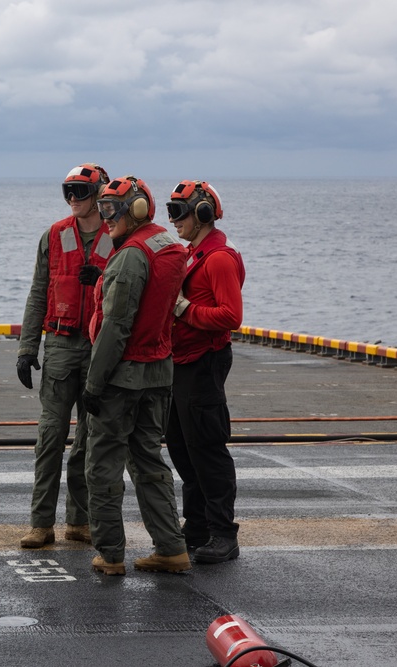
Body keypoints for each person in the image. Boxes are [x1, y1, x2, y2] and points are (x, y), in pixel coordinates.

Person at [81, 175, 190, 576]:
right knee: (149, 461)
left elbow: (116, 326)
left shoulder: (130, 255)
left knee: (103, 463)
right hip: (159, 373)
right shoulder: (170, 246)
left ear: (138, 209)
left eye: (112, 210)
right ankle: (171, 548)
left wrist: (94, 383)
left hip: (122, 377)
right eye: (103, 209)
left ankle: (110, 554)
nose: (106, 218)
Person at [17, 163, 114, 549]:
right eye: (68, 191)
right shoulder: (54, 236)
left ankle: (80, 520)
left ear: (100, 193)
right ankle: (41, 523)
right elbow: (38, 292)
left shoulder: (118, 235)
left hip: (99, 347)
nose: (74, 198)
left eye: (81, 191)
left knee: (89, 441)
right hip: (59, 345)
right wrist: (27, 348)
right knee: (50, 436)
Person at [164, 180, 245, 564]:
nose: (172, 220)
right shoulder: (193, 253)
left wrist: (183, 310)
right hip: (182, 362)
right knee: (181, 446)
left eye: (179, 212)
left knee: (207, 448)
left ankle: (223, 534)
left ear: (202, 214)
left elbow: (231, 317)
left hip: (203, 362)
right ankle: (196, 526)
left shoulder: (219, 259)